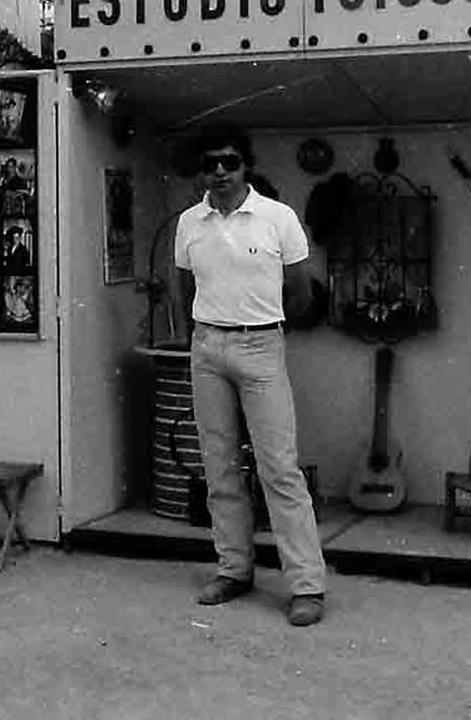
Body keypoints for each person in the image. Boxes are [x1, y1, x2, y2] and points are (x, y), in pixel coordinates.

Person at [174, 124, 325, 628]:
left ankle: (306, 585)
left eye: (230, 162)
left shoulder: (278, 219)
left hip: (262, 344)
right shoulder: (189, 222)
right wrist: (197, 334)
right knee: (218, 467)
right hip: (207, 346)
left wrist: (269, 329)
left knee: (279, 468)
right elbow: (184, 286)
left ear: (247, 166)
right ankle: (234, 570)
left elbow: (301, 294)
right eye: (211, 162)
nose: (220, 171)